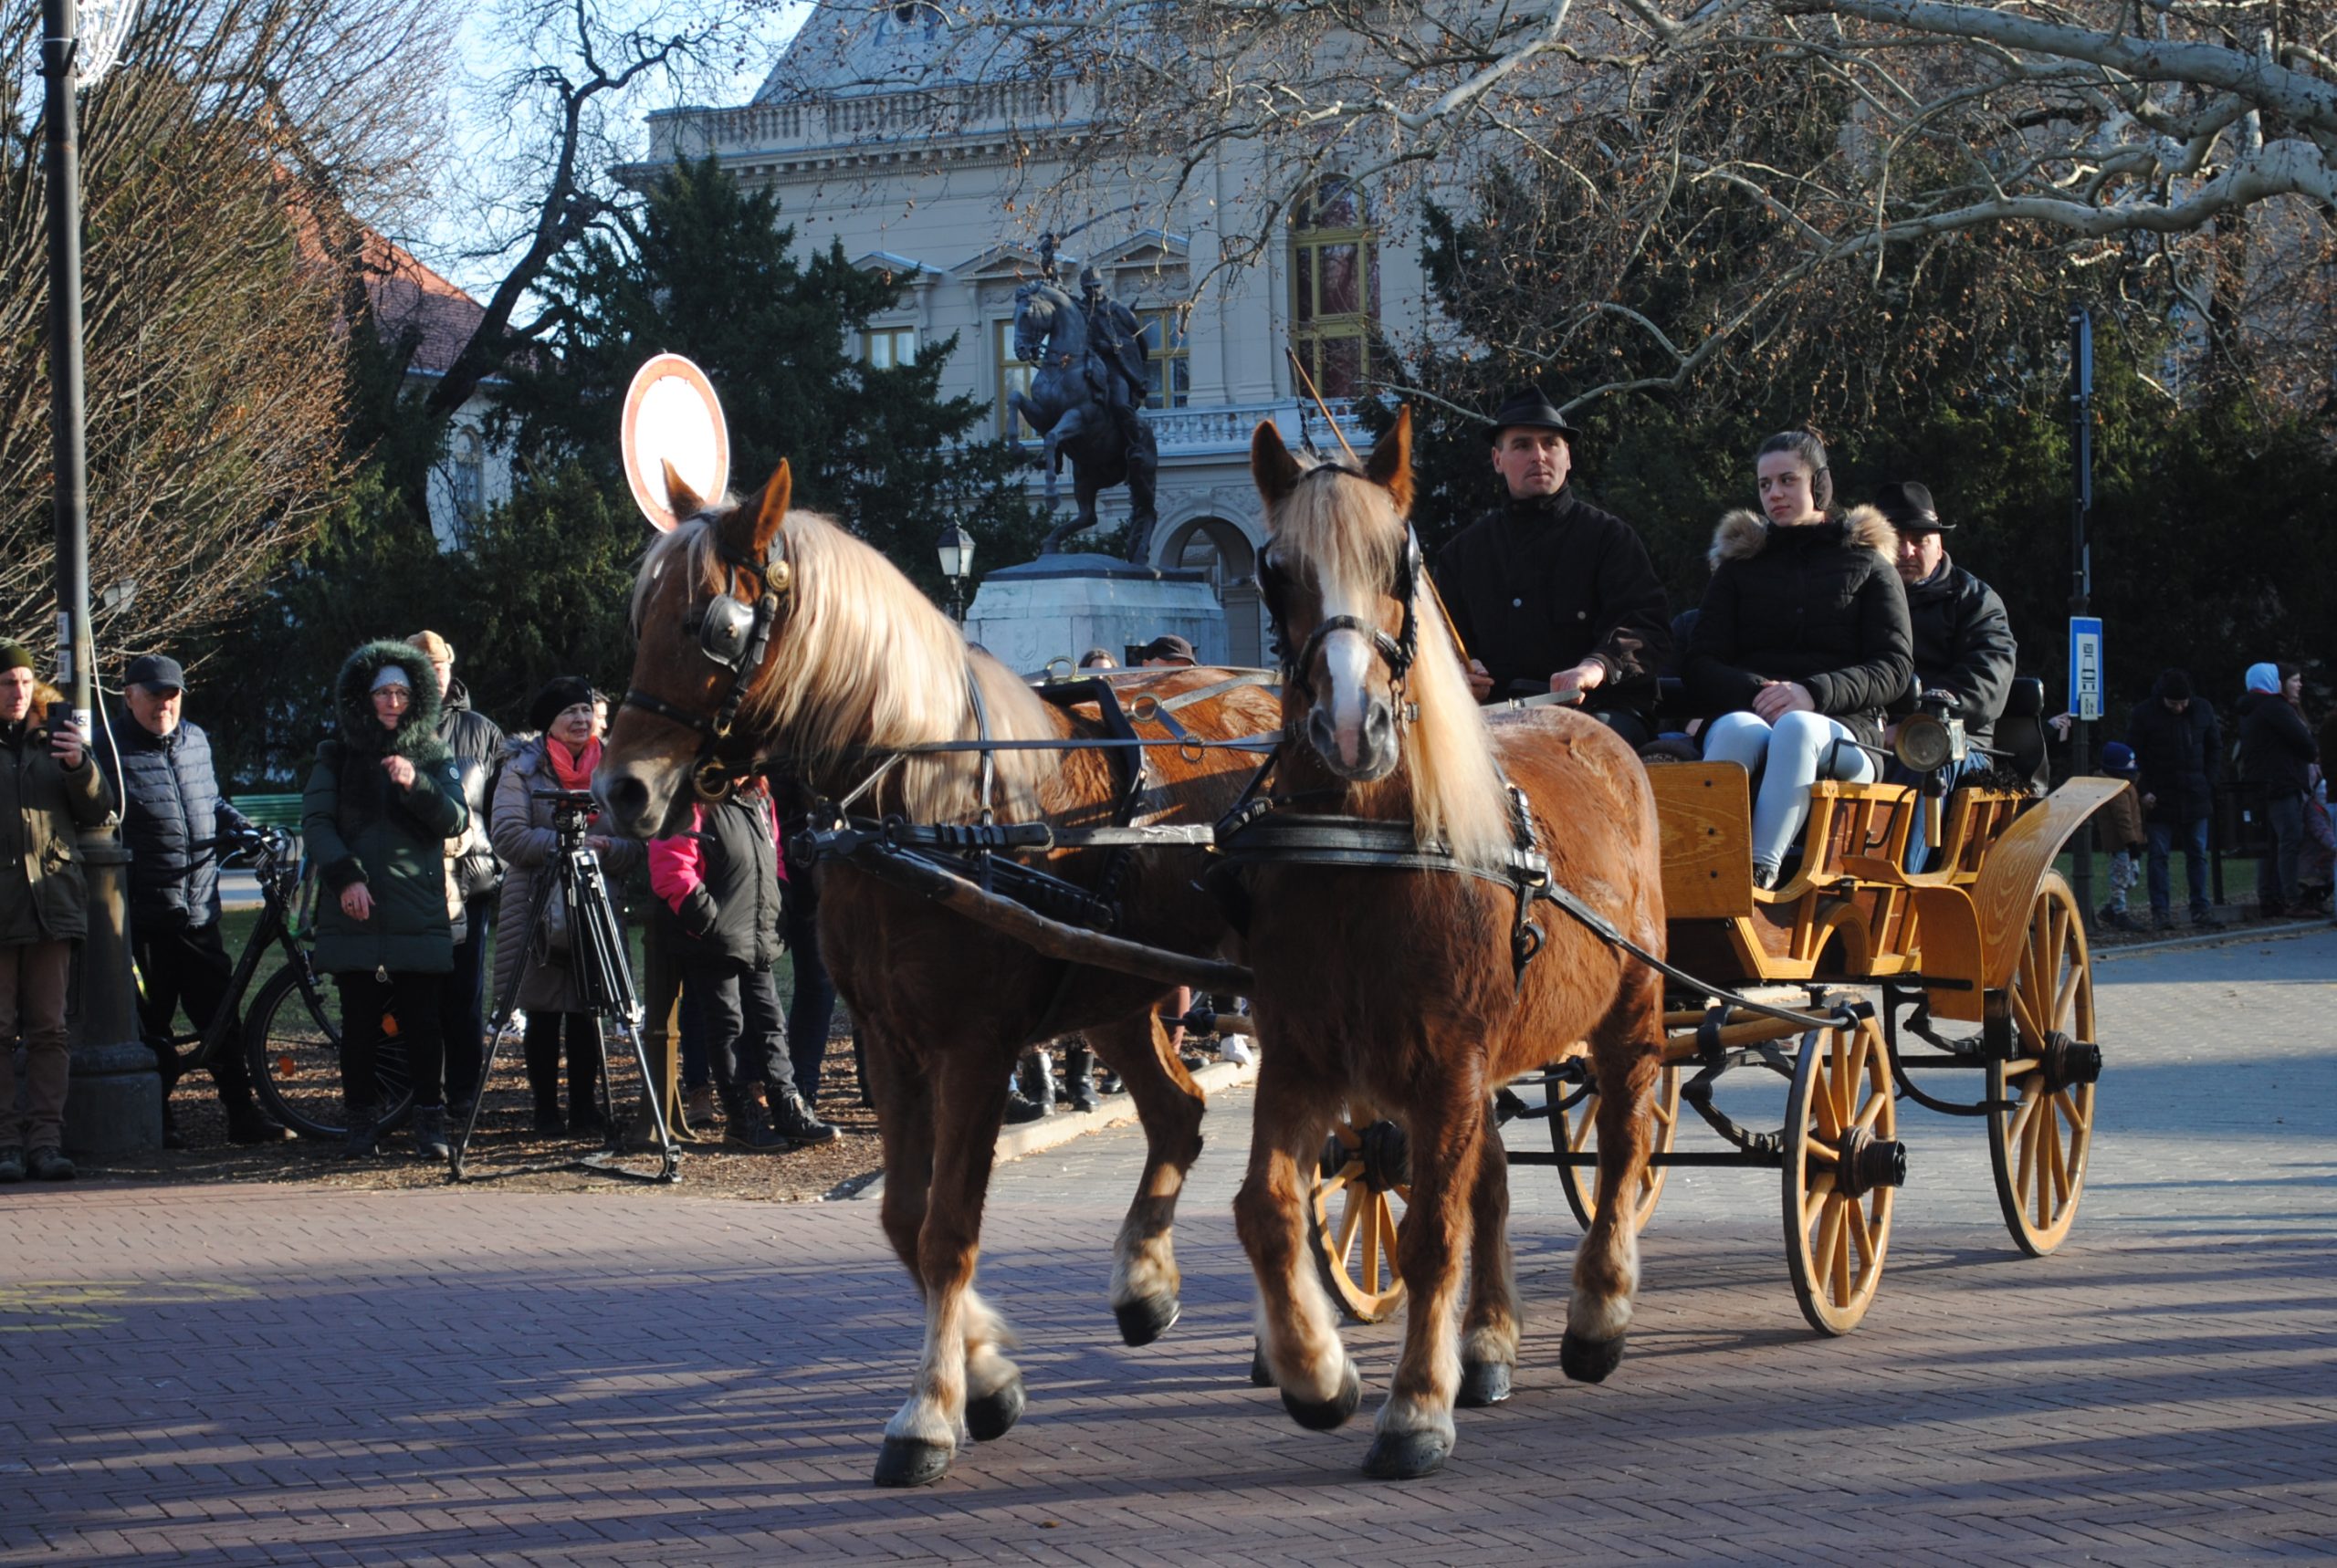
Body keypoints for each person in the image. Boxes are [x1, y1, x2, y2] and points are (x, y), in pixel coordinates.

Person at [1685, 430, 1913, 888]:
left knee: (1797, 726)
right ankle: (1703, 871)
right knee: (1732, 729)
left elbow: (1894, 667)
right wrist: (1760, 692)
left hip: (1848, 730)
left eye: (1787, 480)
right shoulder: (1737, 568)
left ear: (1819, 485)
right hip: (1753, 712)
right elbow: (1700, 662)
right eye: (1765, 485)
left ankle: (1758, 874)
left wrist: (1812, 692)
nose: (1775, 494)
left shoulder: (1868, 565)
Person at [106, 653, 287, 1145]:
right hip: (144, 915)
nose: (165, 704)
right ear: (130, 696)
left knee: (221, 1017)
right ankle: (158, 1121)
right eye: (155, 694)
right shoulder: (109, 748)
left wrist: (243, 830)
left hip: (200, 908)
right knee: (151, 1024)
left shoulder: (195, 741)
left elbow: (210, 803)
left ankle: (242, 1114)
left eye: (173, 695)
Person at [301, 641, 468, 1159]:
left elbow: (456, 820)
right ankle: (360, 1124)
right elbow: (317, 824)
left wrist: (416, 784)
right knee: (359, 1026)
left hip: (417, 908)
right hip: (356, 909)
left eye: (401, 691)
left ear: (416, 696)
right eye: (382, 692)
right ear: (363, 697)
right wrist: (346, 878)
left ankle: (430, 1125)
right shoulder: (336, 753)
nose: (392, 701)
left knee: (423, 1023)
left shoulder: (435, 755)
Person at [1432, 386, 1672, 743]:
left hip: (1600, 713)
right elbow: (1438, 644)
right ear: (1497, 460)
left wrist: (1597, 666)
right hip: (1493, 719)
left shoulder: (1610, 538)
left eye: (1550, 444)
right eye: (1522, 445)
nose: (1539, 456)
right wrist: (1459, 674)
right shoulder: (1461, 554)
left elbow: (1646, 627)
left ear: (1568, 456)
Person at [490, 677, 645, 1135]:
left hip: (595, 902)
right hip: (536, 905)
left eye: (585, 711)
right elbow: (508, 835)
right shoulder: (521, 768)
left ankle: (584, 1108)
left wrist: (604, 851)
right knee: (542, 1012)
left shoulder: (615, 769)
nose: (580, 720)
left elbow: (635, 842)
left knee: (588, 1009)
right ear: (549, 724)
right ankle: (545, 1111)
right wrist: (567, 845)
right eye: (569, 713)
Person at [649, 776, 836, 1149]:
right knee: (727, 1028)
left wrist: (777, 907)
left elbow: (775, 857)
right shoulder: (690, 795)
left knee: (771, 1024)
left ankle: (787, 1108)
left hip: (756, 933)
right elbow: (672, 864)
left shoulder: (759, 794)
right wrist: (708, 921)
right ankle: (741, 1120)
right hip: (712, 937)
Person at [1, 643, 114, 1183]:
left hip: (51, 903)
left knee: (49, 1029)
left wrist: (79, 764)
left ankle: (45, 1142)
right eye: (6, 682)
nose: (17, 692)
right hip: (2, 909)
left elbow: (100, 809)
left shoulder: (55, 736)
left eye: (23, 681)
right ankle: (5, 1142)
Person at [1871, 480, 2017, 862]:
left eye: (1918, 538)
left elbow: (1988, 677)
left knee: (1923, 751)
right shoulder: (1855, 600)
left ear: (1939, 542)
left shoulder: (1977, 601)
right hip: (1869, 734)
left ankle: (1894, 886)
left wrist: (1917, 724)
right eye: (1895, 539)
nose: (1906, 550)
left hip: (1957, 741)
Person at [407, 632, 504, 1119]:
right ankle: (414, 1092)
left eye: (438, 666)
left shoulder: (483, 731)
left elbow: (503, 807)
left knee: (465, 993)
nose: (432, 675)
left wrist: (496, 862)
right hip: (406, 883)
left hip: (469, 885)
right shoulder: (390, 726)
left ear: (451, 668)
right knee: (412, 993)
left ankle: (465, 1092)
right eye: (421, 667)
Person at [2127, 668, 2223, 930]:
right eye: (2173, 704)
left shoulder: (2199, 710)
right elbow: (2135, 756)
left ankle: (2198, 908)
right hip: (2162, 795)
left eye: (2182, 703)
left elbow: (2215, 747)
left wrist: (2207, 780)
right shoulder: (2146, 714)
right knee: (2161, 856)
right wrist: (2144, 789)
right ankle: (2162, 911)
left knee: (2195, 854)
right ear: (2164, 698)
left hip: (2192, 792)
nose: (2179, 708)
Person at [2237, 662, 2319, 918]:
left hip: (2261, 785)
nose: (2299, 685)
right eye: (2294, 680)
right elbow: (2305, 743)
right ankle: (2291, 898)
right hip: (2283, 782)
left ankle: (2269, 897)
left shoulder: (2251, 709)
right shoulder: (2275, 707)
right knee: (2289, 840)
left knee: (2271, 844)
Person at [2096, 742, 2148, 931]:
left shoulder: (2126, 785)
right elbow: (2123, 820)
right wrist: (2132, 843)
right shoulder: (2117, 790)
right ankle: (2119, 913)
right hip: (2121, 844)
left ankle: (2111, 910)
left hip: (2128, 842)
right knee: (2120, 878)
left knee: (2131, 876)